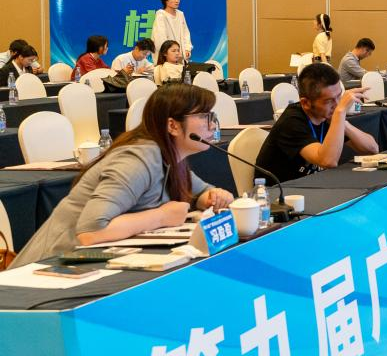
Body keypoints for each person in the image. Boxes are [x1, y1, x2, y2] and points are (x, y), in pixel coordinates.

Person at [12, 84, 234, 267]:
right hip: (50, 267)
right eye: (205, 116)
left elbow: (200, 191)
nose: (212, 124)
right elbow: (90, 232)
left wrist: (212, 196)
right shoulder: (137, 160)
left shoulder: (171, 157)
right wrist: (161, 217)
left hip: (93, 262)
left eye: (212, 116)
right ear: (173, 126)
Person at [255, 63, 379, 183]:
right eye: (329, 101)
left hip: (310, 186)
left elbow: (372, 149)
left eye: (339, 97)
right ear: (305, 103)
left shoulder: (329, 115)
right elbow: (328, 161)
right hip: (280, 193)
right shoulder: (291, 122)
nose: (337, 105)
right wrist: (340, 113)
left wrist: (342, 122)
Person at [151, 0, 193, 65]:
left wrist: (187, 49)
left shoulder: (180, 14)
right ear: (166, 1)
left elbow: (186, 33)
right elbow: (160, 37)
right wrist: (169, 53)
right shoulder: (161, 15)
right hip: (167, 57)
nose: (177, 1)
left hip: (180, 55)